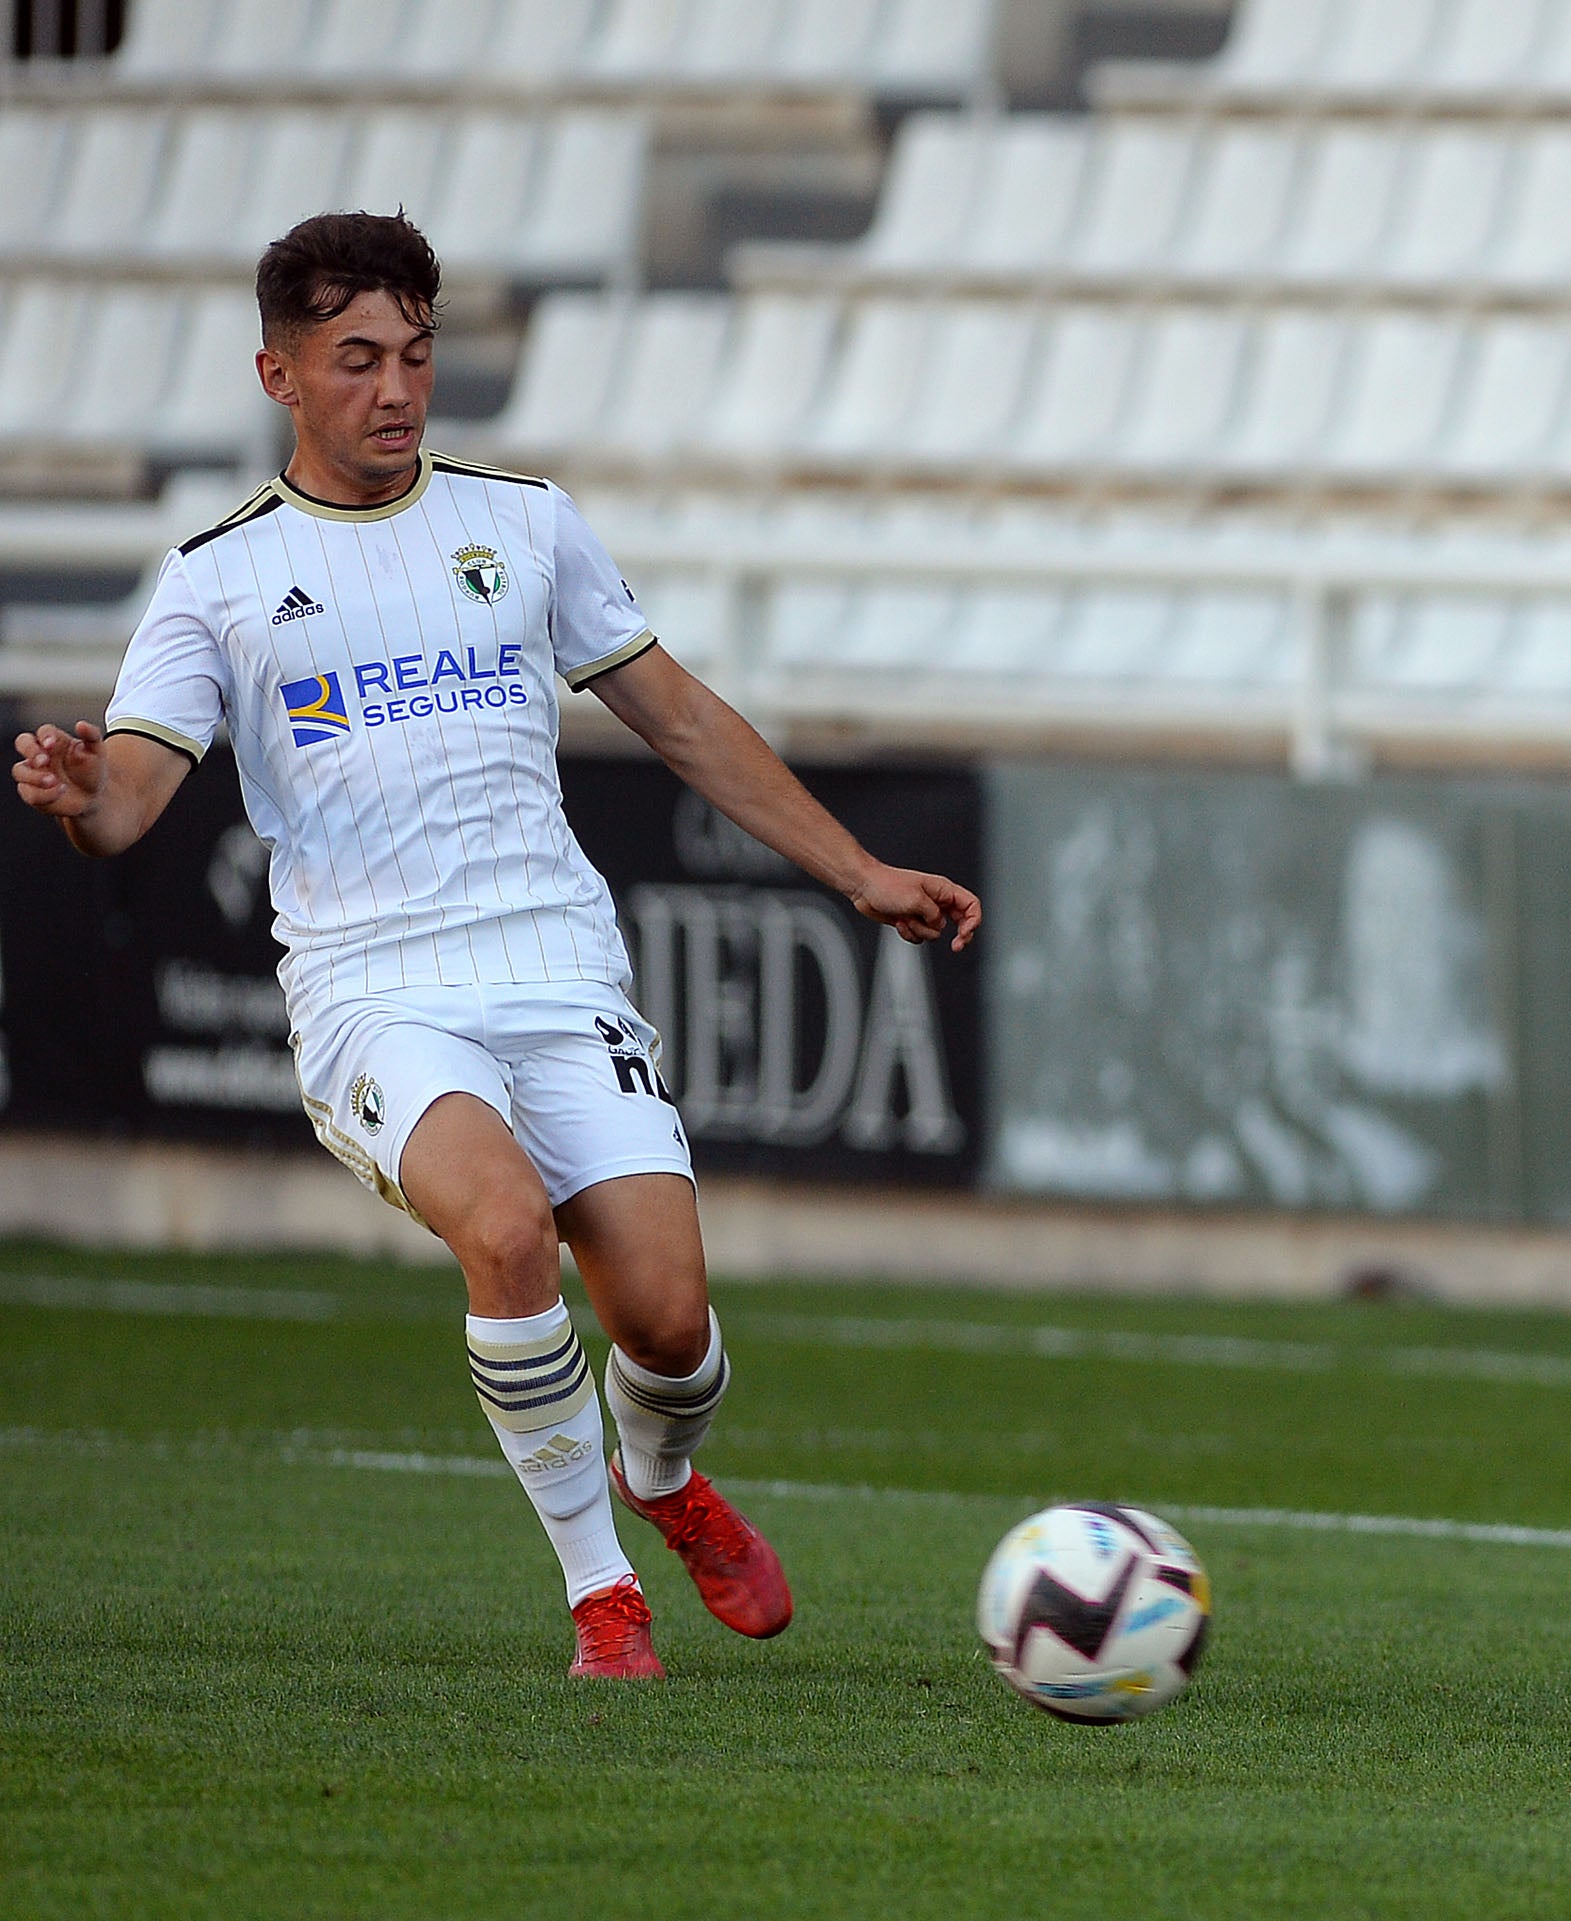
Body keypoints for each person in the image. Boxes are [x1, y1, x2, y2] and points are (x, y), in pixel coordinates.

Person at [11, 212, 981, 1679]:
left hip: (555, 962)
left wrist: (856, 868)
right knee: (509, 1228)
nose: (397, 389)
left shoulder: (521, 522)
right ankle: (604, 1596)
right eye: (357, 361)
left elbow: (682, 718)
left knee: (666, 1318)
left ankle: (661, 1480)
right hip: (373, 989)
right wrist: (86, 798)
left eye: (415, 354)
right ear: (278, 372)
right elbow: (134, 796)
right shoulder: (217, 578)